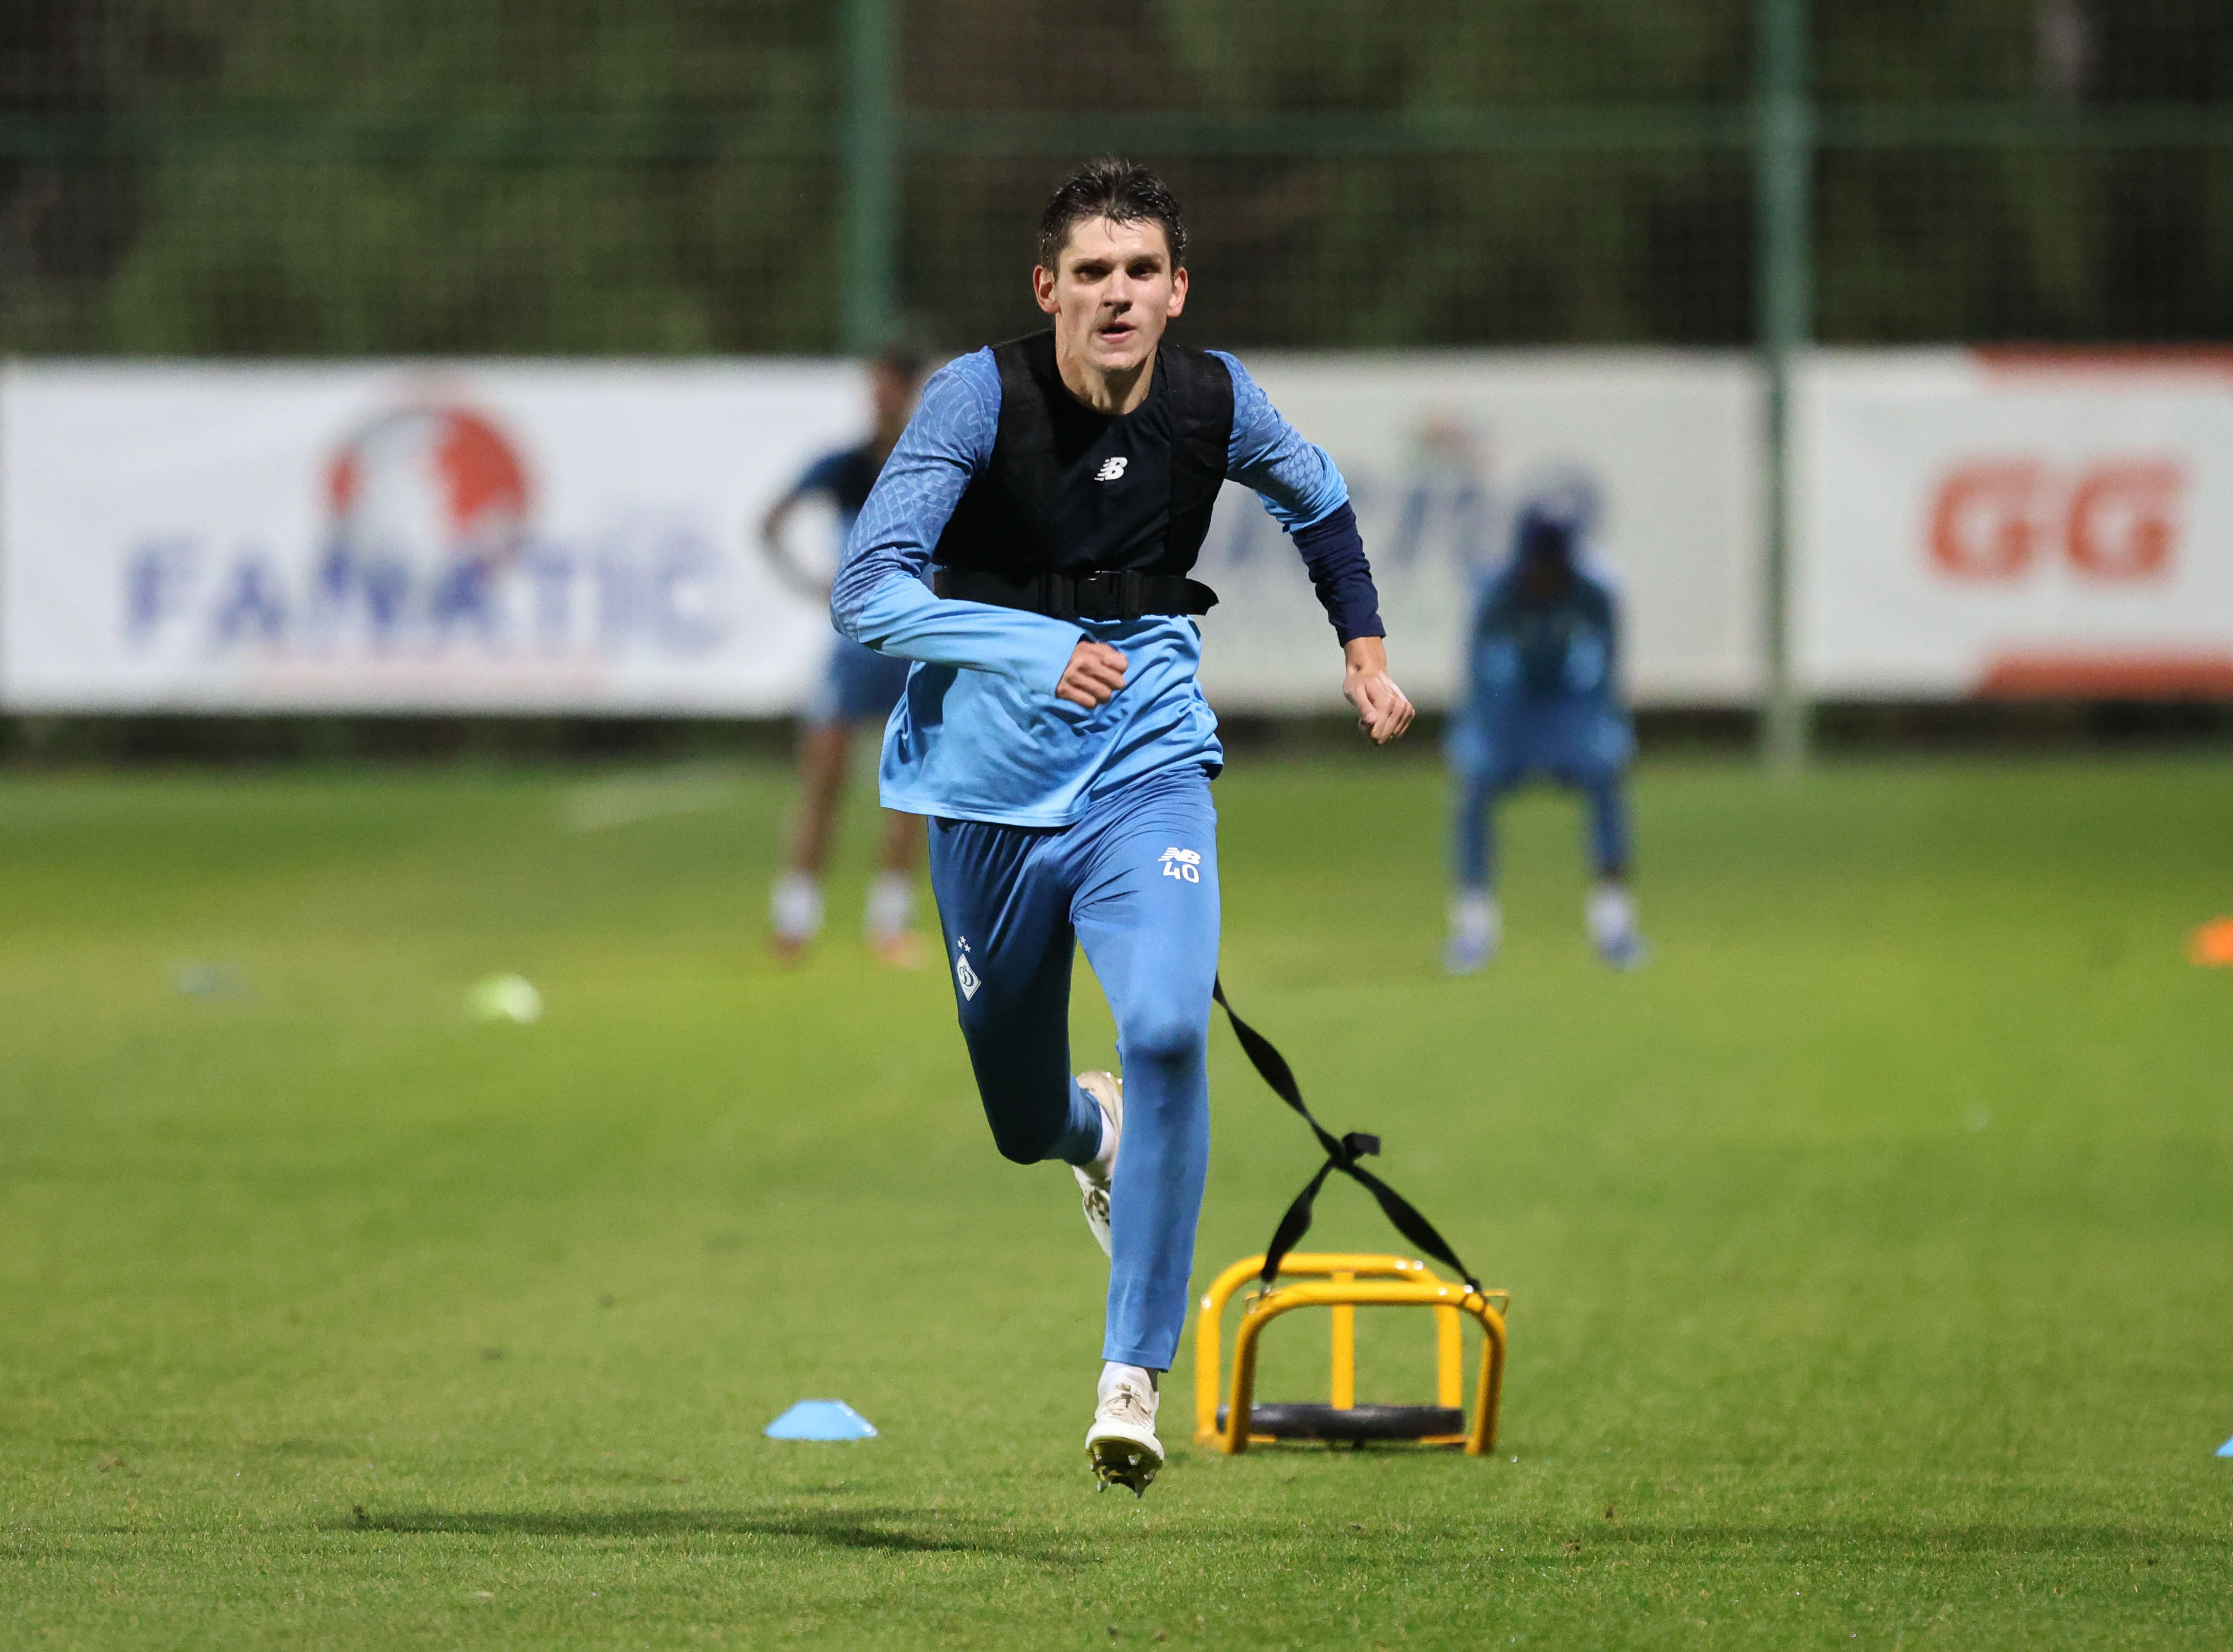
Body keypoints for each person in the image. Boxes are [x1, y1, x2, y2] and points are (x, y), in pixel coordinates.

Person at [831, 158, 1414, 1495]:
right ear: (1046, 288)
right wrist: (1030, 648)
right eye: (1090, 272)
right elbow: (867, 592)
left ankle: (1130, 1376)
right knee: (1016, 1117)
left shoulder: (1216, 397)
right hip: (983, 793)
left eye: (1140, 270)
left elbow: (1318, 497)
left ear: (1176, 289)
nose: (1117, 294)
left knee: (1163, 1027)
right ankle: (1087, 1136)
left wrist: (1364, 646)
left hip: (1146, 771)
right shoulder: (973, 397)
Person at [763, 346, 931, 966]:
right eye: (874, 387)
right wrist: (813, 586)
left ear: (909, 392)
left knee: (911, 789)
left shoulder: (932, 462)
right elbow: (770, 523)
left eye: (889, 387)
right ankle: (794, 921)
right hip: (855, 646)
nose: (879, 398)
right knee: (824, 780)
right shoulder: (844, 466)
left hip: (915, 644)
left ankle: (890, 924)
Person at [1443, 483, 1646, 974]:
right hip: (1509, 710)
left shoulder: (1595, 591)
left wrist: (1593, 724)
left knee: (1605, 772)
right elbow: (1480, 675)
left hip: (1570, 707)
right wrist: (1493, 733)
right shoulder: (1497, 591)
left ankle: (1614, 925)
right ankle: (1473, 928)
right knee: (1473, 783)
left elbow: (1607, 670)